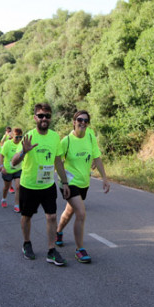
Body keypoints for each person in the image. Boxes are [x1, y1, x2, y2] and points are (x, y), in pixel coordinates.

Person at [10, 103, 70, 266]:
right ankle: (27, 243)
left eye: (48, 116)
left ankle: (51, 250)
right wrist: (24, 151)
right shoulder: (28, 137)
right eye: (41, 115)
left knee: (51, 216)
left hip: (48, 185)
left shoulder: (55, 137)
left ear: (51, 118)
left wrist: (65, 182)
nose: (44, 119)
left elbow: (58, 161)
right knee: (26, 216)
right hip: (29, 185)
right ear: (35, 118)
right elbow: (13, 162)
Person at [55, 111, 110, 263]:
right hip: (68, 183)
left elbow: (97, 158)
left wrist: (104, 178)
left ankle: (58, 232)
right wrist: (64, 182)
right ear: (74, 122)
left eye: (86, 120)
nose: (83, 123)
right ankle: (80, 250)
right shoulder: (66, 141)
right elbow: (58, 161)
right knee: (81, 213)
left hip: (84, 183)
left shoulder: (90, 137)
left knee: (69, 211)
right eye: (80, 120)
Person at [0, 127, 23, 212]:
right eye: (17, 137)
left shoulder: (22, 144)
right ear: (12, 135)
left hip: (18, 169)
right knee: (6, 187)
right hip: (8, 169)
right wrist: (1, 166)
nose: (19, 139)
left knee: (18, 187)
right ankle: (4, 198)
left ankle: (16, 205)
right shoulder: (7, 144)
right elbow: (1, 155)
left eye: (20, 137)